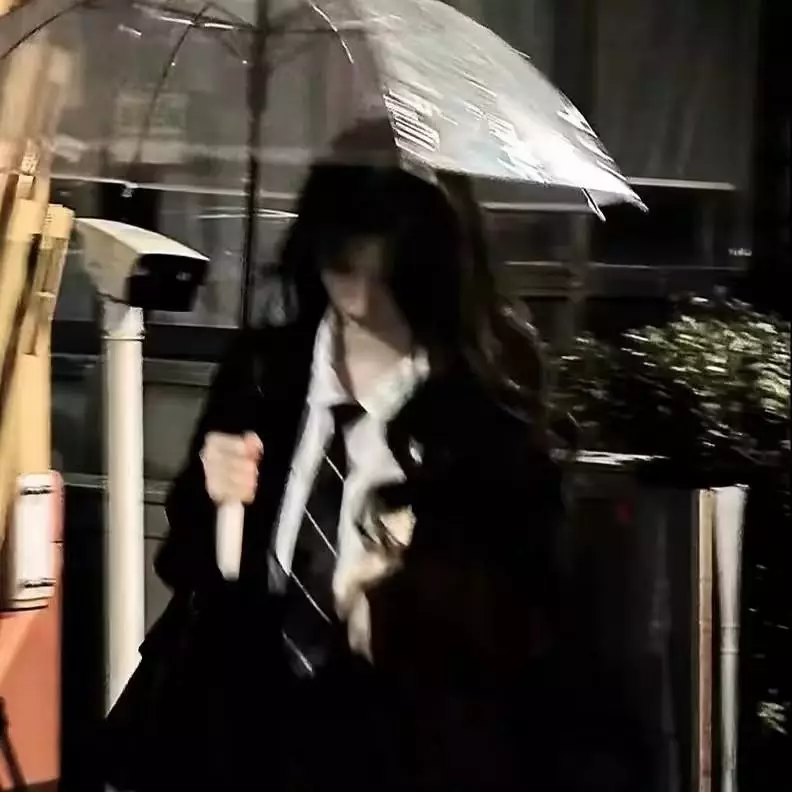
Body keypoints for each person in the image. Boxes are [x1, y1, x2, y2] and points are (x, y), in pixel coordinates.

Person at [115, 163, 648, 791]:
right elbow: (188, 569)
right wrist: (214, 505)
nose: (363, 302)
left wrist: (404, 600)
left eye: (389, 281)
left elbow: (535, 629)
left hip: (402, 750)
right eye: (345, 270)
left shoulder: (487, 424)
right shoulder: (262, 375)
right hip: (246, 739)